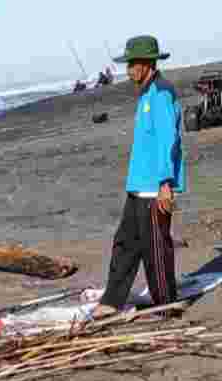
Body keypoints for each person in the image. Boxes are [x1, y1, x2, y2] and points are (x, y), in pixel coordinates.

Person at [92, 36, 186, 320]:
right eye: (128, 64)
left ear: (147, 63)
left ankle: (166, 303)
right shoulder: (146, 94)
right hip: (138, 187)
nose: (129, 69)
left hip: (155, 188)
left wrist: (166, 184)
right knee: (124, 244)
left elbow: (167, 140)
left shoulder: (161, 93)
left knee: (155, 247)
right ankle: (112, 299)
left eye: (133, 64)